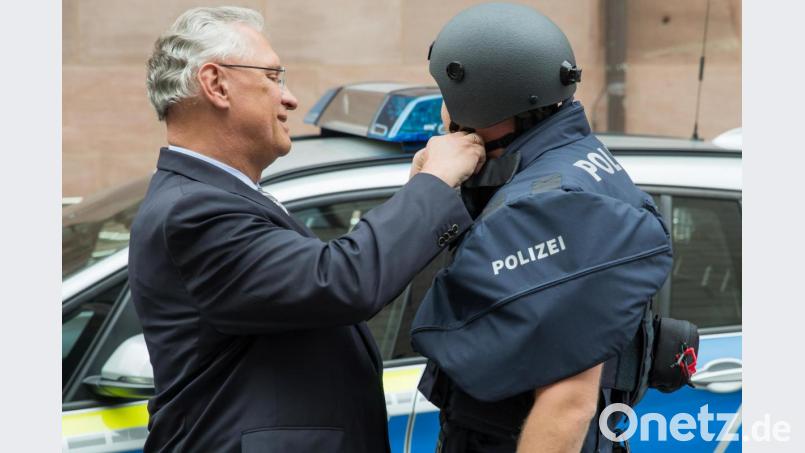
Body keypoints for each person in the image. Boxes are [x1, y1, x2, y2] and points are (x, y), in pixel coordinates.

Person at [129, 6, 485, 452]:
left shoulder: (213, 197)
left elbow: (312, 285)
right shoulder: (195, 212)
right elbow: (341, 280)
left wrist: (419, 192)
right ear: (216, 84)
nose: (290, 98)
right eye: (274, 77)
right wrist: (434, 185)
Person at [410, 3, 673, 452]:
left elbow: (567, 402)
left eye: (446, 92)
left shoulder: (549, 204)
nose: (443, 109)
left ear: (480, 98)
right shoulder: (569, 162)